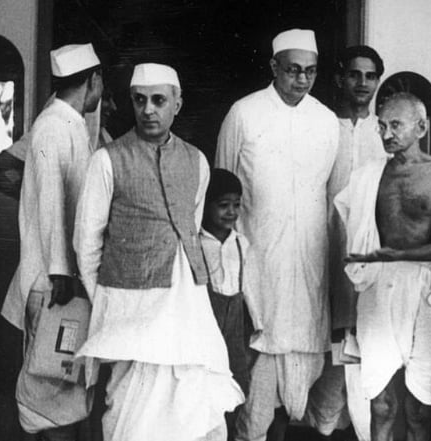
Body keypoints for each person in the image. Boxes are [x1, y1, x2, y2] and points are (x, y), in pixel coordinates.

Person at [73, 63, 243, 441]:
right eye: (140, 100)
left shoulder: (198, 161)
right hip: (128, 303)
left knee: (189, 397)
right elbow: (86, 240)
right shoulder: (107, 160)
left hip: (185, 302)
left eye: (159, 100)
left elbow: (192, 226)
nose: (148, 109)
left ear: (177, 104)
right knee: (129, 404)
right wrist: (105, 296)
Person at [215, 29, 339, 441]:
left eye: (310, 72)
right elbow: (220, 188)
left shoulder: (325, 121)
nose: (301, 80)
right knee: (254, 377)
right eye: (293, 70)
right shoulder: (244, 113)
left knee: (296, 387)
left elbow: (333, 198)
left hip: (308, 271)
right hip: (257, 270)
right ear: (274, 67)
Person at [334, 92, 431, 441]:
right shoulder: (367, 176)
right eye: (382, 126)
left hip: (425, 286)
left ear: (421, 127)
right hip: (378, 284)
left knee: (420, 406)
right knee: (382, 404)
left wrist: (397, 256)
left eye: (395, 125)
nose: (387, 133)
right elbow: (354, 224)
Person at [0, 43, 103, 441]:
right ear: (93, 81)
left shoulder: (71, 123)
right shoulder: (53, 125)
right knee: (49, 396)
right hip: (52, 284)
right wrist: (61, 272)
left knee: (65, 388)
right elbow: (51, 203)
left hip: (63, 280)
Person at [310, 44, 387, 441]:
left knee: (366, 350)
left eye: (370, 76)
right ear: (340, 78)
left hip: (371, 262)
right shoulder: (323, 126)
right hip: (322, 253)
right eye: (354, 74)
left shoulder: (385, 132)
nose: (362, 83)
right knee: (328, 349)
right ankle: (324, 427)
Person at [200, 168, 252, 435]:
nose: (231, 212)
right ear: (205, 205)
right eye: (223, 205)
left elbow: (250, 293)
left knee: (237, 383)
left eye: (236, 205)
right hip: (204, 332)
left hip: (233, 331)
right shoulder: (196, 245)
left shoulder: (242, 244)